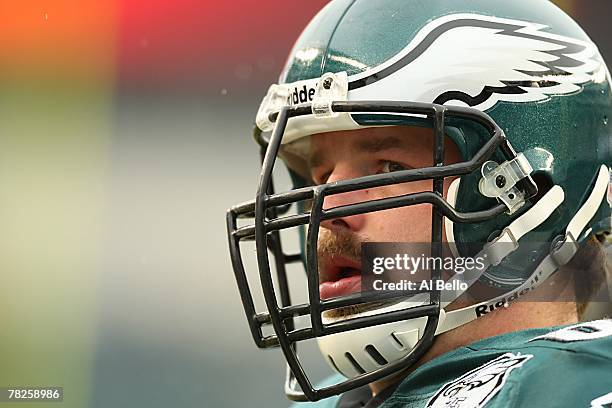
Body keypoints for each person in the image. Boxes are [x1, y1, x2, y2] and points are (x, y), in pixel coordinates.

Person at [226, 1, 612, 407]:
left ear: (526, 193)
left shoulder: (568, 387)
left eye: (389, 168)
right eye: (320, 177)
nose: (328, 213)